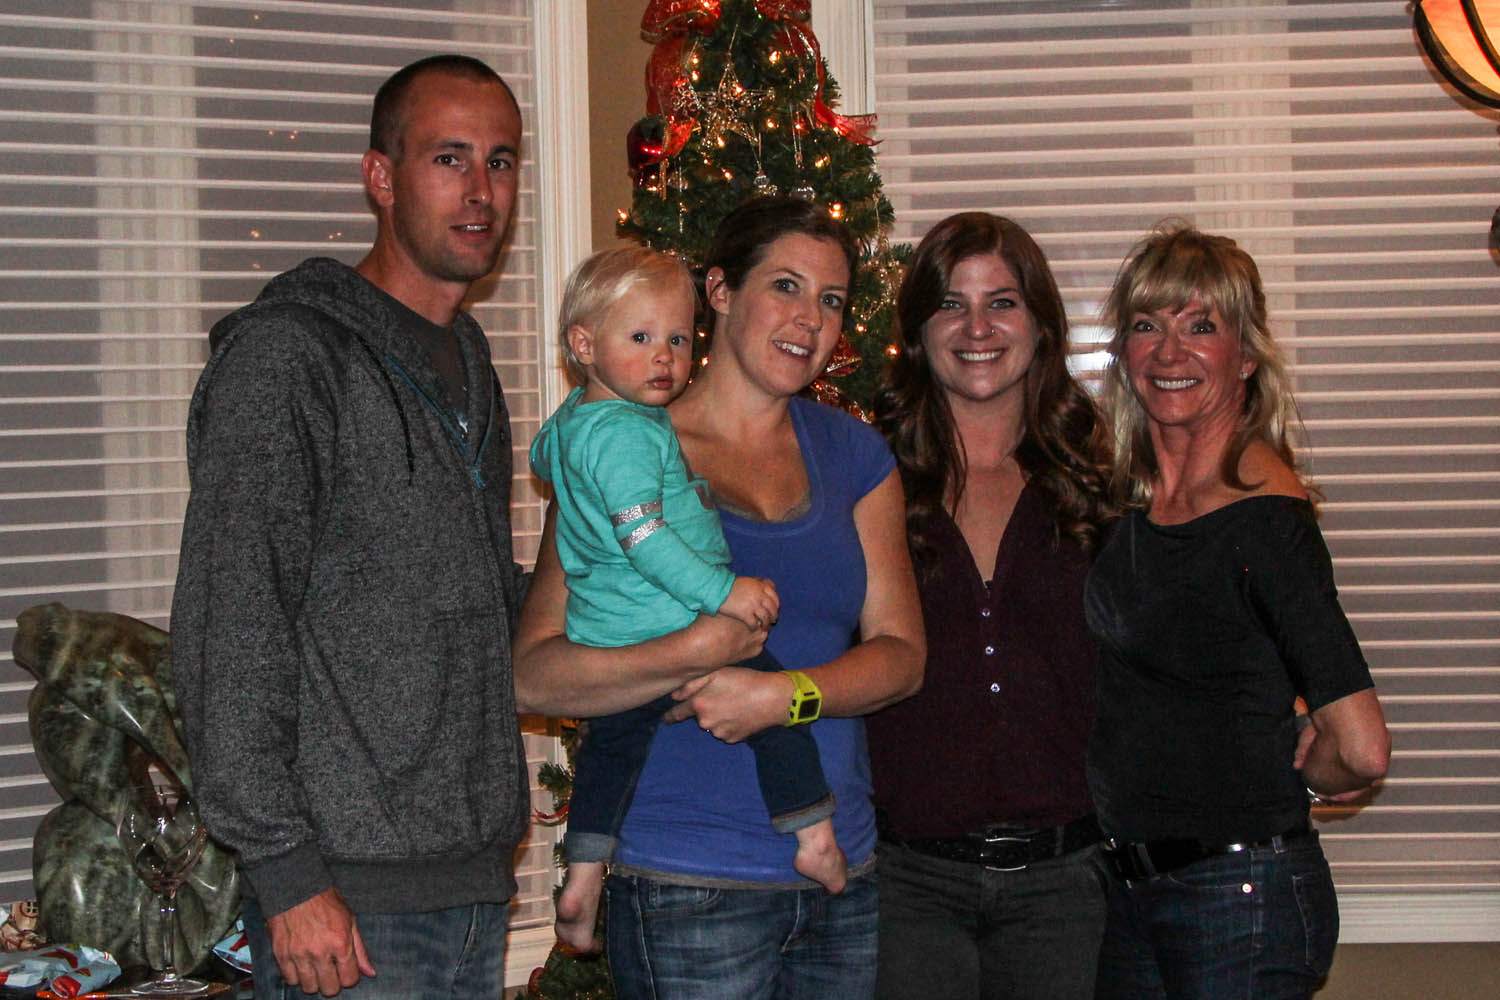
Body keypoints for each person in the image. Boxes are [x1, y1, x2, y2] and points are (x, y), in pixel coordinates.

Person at [171, 55, 530, 999]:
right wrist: (287, 875)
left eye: (500, 161)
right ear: (381, 177)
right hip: (346, 906)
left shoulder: (470, 359)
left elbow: (477, 601)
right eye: (449, 158)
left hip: (470, 883)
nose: (481, 190)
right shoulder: (289, 358)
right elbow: (231, 623)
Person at [514, 196, 925, 999]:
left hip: (843, 882)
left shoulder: (854, 454)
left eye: (831, 299)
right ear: (721, 292)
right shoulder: (619, 445)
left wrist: (782, 696)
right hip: (683, 886)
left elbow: (902, 657)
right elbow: (535, 676)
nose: (809, 319)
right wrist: (689, 652)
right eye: (785, 286)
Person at [1086, 222, 1391, 999]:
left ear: (1246, 356)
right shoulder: (1128, 503)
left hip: (1239, 896)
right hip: (1131, 890)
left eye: (1201, 327)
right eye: (1147, 325)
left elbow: (1362, 750)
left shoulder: (1262, 519)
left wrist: (1303, 774)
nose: (1169, 352)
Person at [528, 247, 846, 952]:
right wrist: (724, 594)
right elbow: (646, 540)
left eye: (676, 338)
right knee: (778, 715)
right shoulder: (626, 434)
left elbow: (544, 458)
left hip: (610, 632)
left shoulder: (577, 421)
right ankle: (815, 836)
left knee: (612, 752)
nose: (664, 357)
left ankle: (582, 879)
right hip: (669, 616)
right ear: (584, 345)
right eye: (640, 337)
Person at [867, 212, 1114, 1000]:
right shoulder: (867, 480)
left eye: (1002, 302)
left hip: (1066, 884)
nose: (977, 328)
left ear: (1042, 326)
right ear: (917, 331)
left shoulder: (1099, 482)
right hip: (906, 884)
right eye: (951, 304)